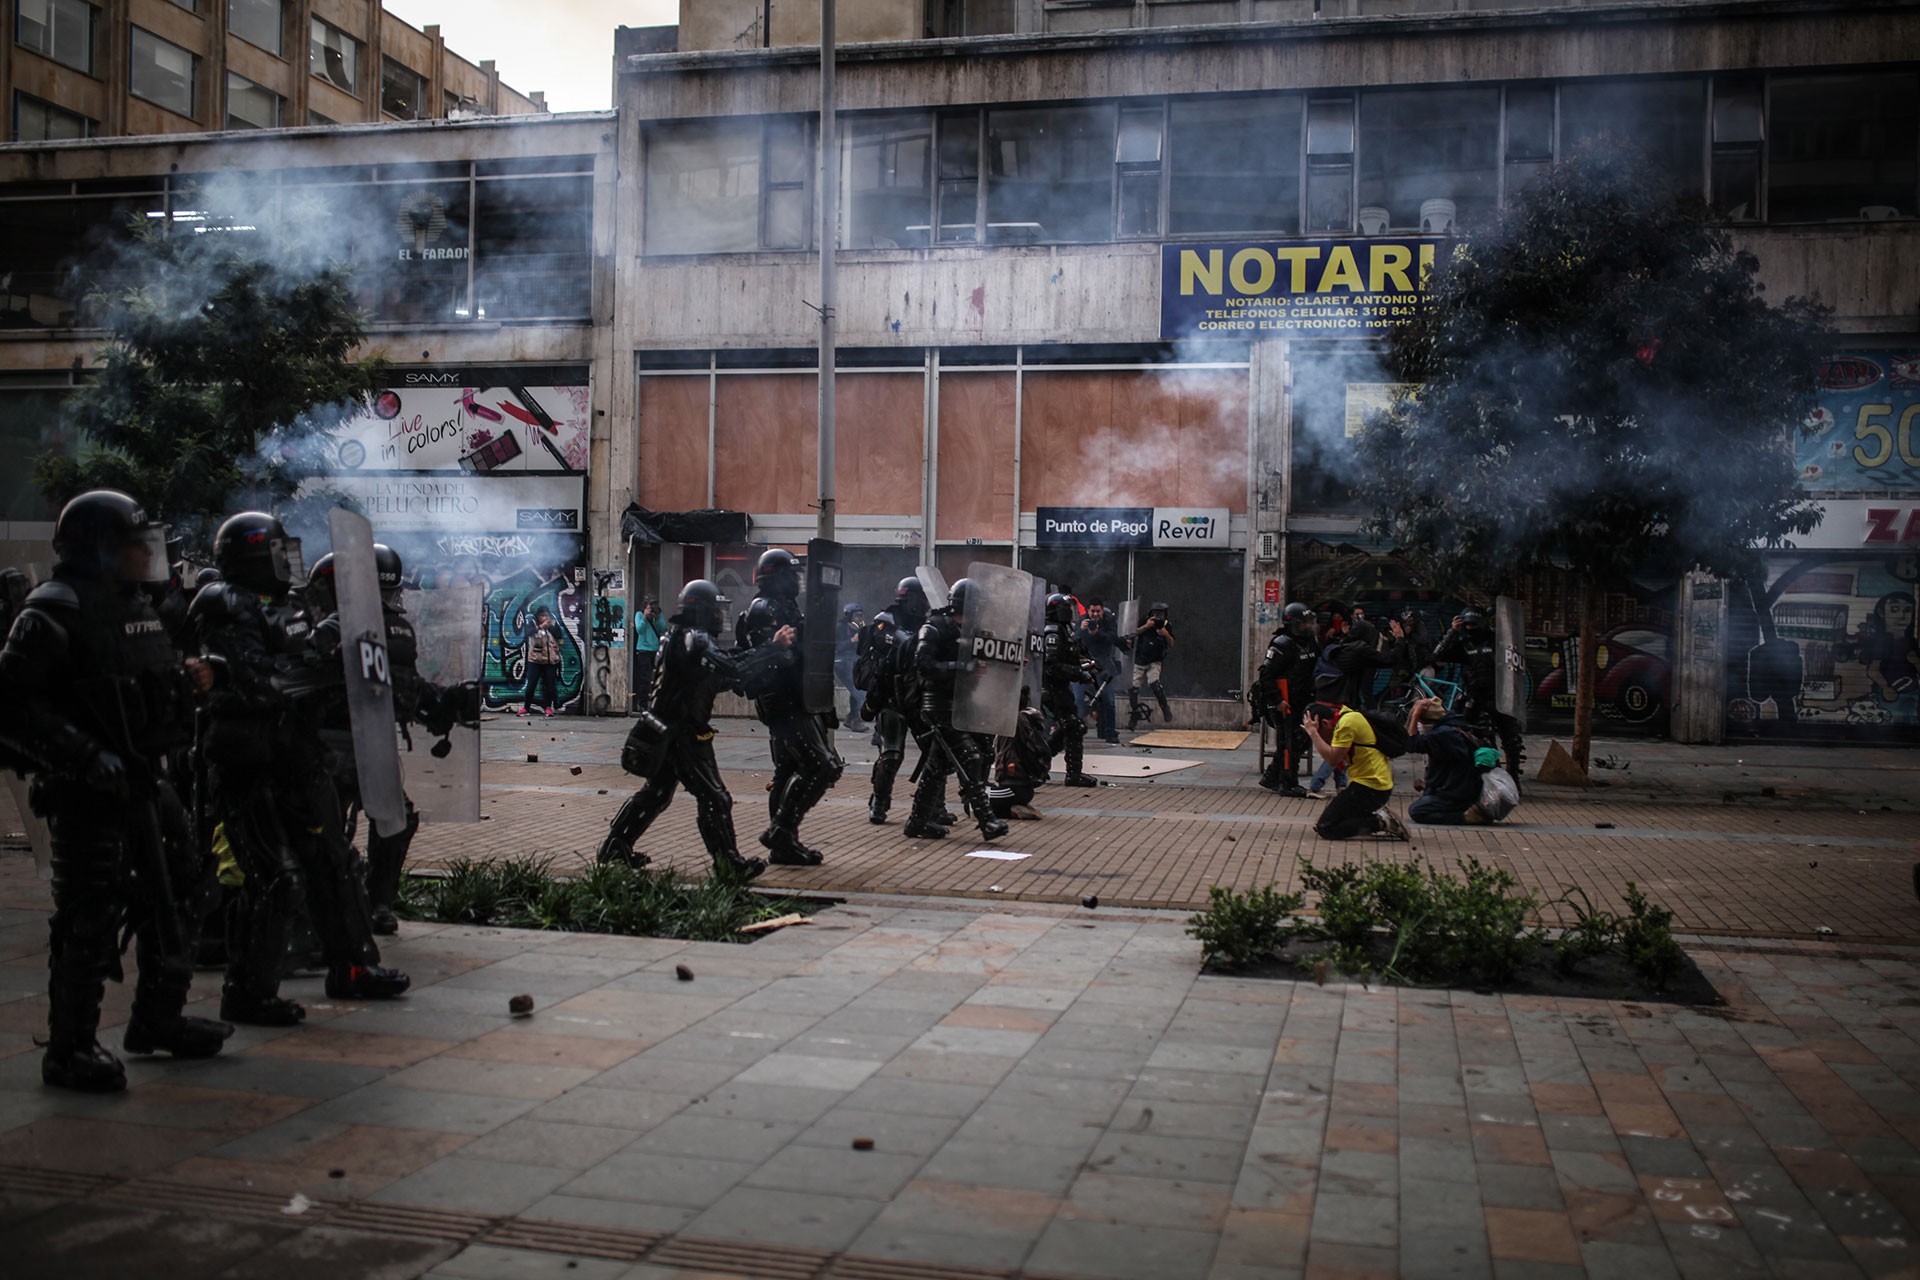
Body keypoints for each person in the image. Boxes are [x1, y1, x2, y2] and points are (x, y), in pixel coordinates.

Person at [0, 491, 234, 1091]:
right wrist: (84, 755)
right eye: (133, 544)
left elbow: (146, 680)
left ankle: (160, 1019)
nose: (143, 555)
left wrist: (194, 679)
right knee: (90, 915)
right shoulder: (51, 611)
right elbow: (15, 708)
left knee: (182, 890)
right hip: (87, 792)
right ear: (98, 548)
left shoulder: (136, 605)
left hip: (146, 780)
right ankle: (69, 1049)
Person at [191, 511, 409, 1027]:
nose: (287, 559)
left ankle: (354, 968)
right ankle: (248, 991)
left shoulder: (289, 606)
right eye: (275, 549)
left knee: (334, 865)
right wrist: (317, 664)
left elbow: (314, 665)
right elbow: (257, 679)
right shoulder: (225, 604)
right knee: (276, 878)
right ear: (249, 554)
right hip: (250, 757)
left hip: (296, 750)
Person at [304, 545, 478, 935]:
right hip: (330, 747)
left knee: (391, 819)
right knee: (332, 829)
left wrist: (443, 704)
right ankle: (343, 905)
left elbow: (401, 685)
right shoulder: (338, 630)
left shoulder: (349, 628)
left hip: (354, 746)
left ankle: (371, 903)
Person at [599, 580, 776, 878]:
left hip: (665, 729)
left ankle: (615, 847)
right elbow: (728, 669)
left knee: (656, 794)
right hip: (682, 733)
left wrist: (749, 656)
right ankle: (727, 864)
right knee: (714, 797)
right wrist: (770, 650)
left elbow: (711, 678)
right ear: (702, 611)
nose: (721, 617)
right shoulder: (695, 638)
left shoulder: (678, 637)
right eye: (717, 610)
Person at [736, 549, 842, 865]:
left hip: (797, 697)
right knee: (821, 766)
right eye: (792, 575)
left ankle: (784, 844)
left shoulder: (785, 607)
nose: (796, 581)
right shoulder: (764, 609)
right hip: (782, 700)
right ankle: (781, 830)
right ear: (777, 577)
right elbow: (775, 659)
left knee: (787, 772)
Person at [910, 578, 1009, 842]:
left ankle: (917, 822)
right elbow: (924, 666)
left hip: (964, 705)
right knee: (971, 757)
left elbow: (985, 660)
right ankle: (987, 821)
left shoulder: (970, 632)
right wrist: (962, 667)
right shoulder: (934, 628)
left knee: (937, 767)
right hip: (939, 707)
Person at [1432, 608, 1525, 784]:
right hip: (1476, 699)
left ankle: (1513, 780)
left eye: (1473, 624)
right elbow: (1438, 655)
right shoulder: (1464, 645)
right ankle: (1491, 779)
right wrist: (1453, 631)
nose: (1469, 628)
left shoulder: (1498, 641)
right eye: (1466, 624)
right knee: (1484, 741)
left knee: (1512, 741)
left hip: (1501, 697)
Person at [1304, 700, 1408, 841]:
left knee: (1325, 827)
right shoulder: (1347, 716)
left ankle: (1382, 822)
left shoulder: (1346, 724)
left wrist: (1313, 734)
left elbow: (1333, 759)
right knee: (1330, 820)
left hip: (1371, 787)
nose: (1321, 738)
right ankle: (1374, 819)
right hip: (1369, 785)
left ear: (1325, 723)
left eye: (1320, 732)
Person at [1252, 602, 1317, 796]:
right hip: (1285, 702)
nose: (1307, 627)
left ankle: (1272, 776)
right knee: (1289, 742)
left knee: (1302, 739)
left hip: (1304, 700)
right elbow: (1266, 676)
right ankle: (1287, 783)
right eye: (1303, 624)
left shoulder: (1310, 642)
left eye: (1309, 623)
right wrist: (1278, 700)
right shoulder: (1282, 643)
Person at [1041, 593, 1098, 787]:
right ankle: (1068, 774)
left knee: (1072, 727)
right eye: (1066, 609)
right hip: (1051, 689)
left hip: (1061, 688)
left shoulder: (1064, 630)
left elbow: (1072, 656)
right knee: (1073, 726)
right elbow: (1052, 667)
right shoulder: (1053, 632)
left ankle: (1040, 766)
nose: (1070, 613)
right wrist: (1078, 674)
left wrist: (1088, 666)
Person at [1404, 696, 1486, 825]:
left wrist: (1415, 715)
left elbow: (1411, 744)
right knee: (1426, 799)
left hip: (1458, 792)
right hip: (1460, 786)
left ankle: (1465, 817)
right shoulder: (1451, 726)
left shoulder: (1442, 735)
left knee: (1417, 811)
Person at [1077, 600, 1125, 743]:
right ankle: (1076, 730)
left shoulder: (1109, 621)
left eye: (1098, 611)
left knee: (1109, 700)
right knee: (1078, 698)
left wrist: (1096, 633)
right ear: (1088, 611)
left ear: (1102, 611)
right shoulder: (1082, 621)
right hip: (1085, 663)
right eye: (1092, 611)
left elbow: (1112, 638)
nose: (1095, 614)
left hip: (1104, 663)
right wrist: (1081, 630)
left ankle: (1110, 731)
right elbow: (1075, 640)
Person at [1128, 602, 1175, 729]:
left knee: (1154, 683)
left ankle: (1165, 707)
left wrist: (1165, 633)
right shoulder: (1144, 621)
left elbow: (1171, 643)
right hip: (1140, 659)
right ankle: (1135, 713)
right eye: (1155, 614)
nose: (1157, 617)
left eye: (1160, 615)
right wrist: (1146, 626)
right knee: (1133, 688)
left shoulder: (1166, 625)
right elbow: (1132, 633)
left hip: (1155, 660)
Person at [518, 606, 561, 717]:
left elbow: (559, 636)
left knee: (549, 685)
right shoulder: (532, 623)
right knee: (531, 685)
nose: (545, 618)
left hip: (550, 661)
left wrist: (551, 627)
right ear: (538, 616)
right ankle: (526, 708)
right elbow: (527, 633)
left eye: (546, 615)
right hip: (535, 660)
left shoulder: (553, 624)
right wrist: (540, 627)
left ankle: (548, 707)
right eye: (542, 616)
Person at [834, 601, 867, 729]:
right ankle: (855, 719)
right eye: (856, 616)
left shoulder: (859, 628)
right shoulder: (840, 627)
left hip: (854, 661)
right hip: (841, 662)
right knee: (856, 689)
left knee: (858, 687)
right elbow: (836, 648)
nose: (859, 619)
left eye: (861, 616)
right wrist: (852, 640)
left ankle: (851, 717)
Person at [631, 598, 663, 711]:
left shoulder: (657, 615)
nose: (651, 610)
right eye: (649, 608)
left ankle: (655, 703)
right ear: (644, 607)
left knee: (657, 678)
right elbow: (639, 629)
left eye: (653, 608)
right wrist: (645, 617)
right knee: (645, 677)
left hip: (655, 650)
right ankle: (643, 703)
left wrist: (658, 618)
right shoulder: (639, 615)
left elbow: (663, 629)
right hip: (643, 650)